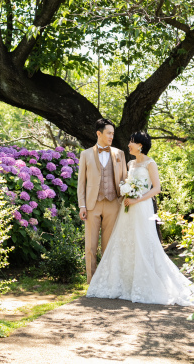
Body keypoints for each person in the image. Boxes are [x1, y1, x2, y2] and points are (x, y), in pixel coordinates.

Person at [86, 131, 194, 306]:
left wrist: (136, 199)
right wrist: (126, 192)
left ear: (140, 145)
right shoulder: (131, 163)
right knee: (125, 242)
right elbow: (127, 183)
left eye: (131, 142)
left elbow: (157, 188)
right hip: (128, 208)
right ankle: (124, 284)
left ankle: (148, 282)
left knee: (143, 242)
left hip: (141, 207)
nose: (128, 144)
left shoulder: (150, 163)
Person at [77, 118, 128, 283]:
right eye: (109, 133)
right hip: (92, 204)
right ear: (99, 133)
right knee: (90, 246)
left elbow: (125, 179)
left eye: (113, 134)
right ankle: (91, 282)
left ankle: (107, 281)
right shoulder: (85, 154)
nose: (111, 136)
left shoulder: (119, 154)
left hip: (114, 203)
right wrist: (82, 205)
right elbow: (81, 183)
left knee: (109, 245)